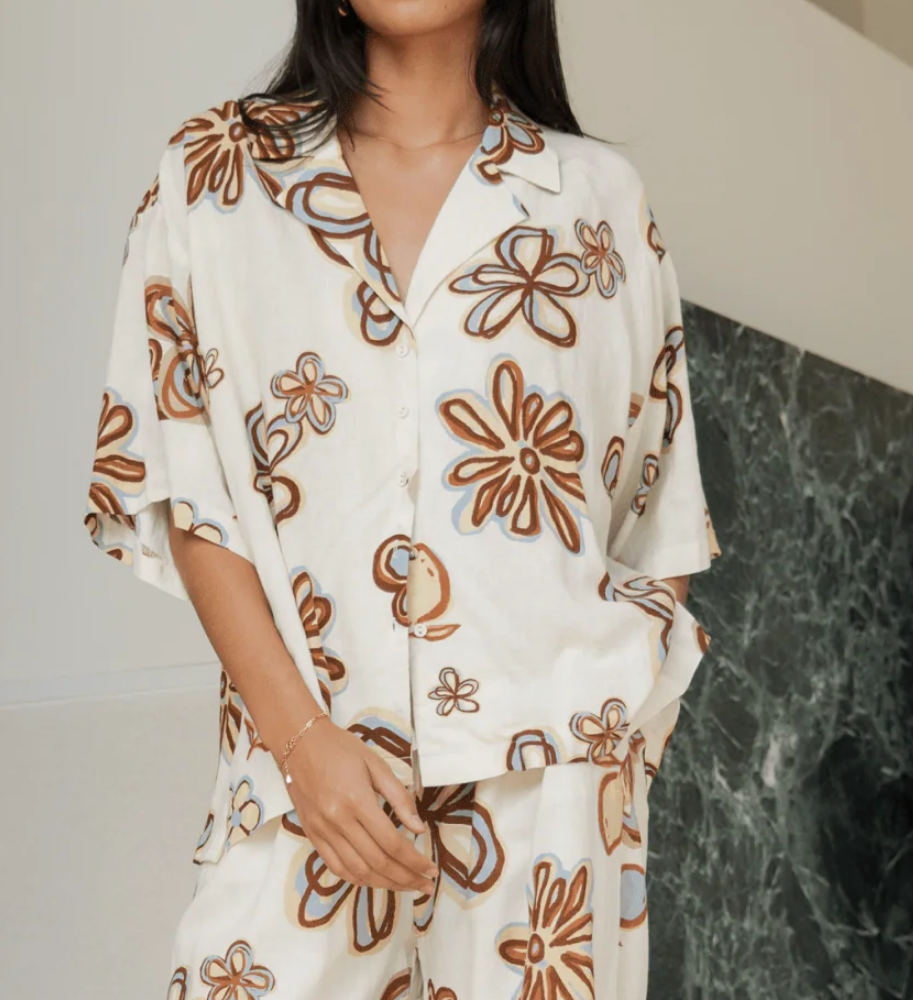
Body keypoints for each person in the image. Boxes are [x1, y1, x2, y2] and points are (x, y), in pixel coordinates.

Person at [82, 0, 722, 997]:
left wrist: (610, 751)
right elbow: (186, 488)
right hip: (303, 780)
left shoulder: (593, 200)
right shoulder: (217, 179)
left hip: (550, 805)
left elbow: (657, 509)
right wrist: (302, 743)